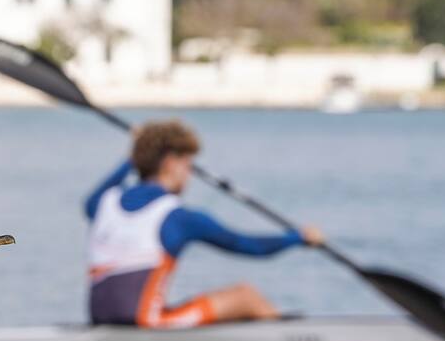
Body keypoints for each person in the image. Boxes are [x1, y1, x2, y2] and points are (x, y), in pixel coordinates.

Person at [83, 119, 324, 328]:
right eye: (188, 165)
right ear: (170, 163)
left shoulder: (104, 202)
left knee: (219, 306)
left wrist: (132, 156)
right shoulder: (180, 217)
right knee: (246, 296)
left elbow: (97, 194)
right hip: (147, 325)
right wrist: (298, 238)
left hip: (100, 320)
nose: (189, 175)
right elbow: (249, 246)